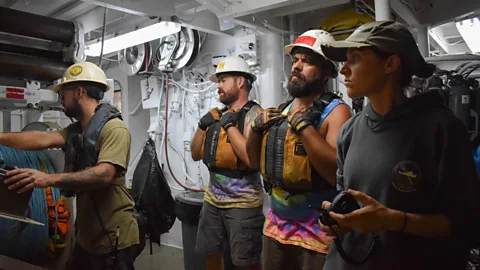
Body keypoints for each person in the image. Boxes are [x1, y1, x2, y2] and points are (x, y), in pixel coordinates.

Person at [319, 20, 480, 270]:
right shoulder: (350, 131)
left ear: (390, 64)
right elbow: (346, 196)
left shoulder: (442, 129)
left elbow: (466, 225)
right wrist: (338, 220)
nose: (343, 70)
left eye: (355, 58)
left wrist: (395, 220)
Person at [3, 61, 140, 270]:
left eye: (63, 94)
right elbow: (41, 138)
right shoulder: (77, 131)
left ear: (79, 92)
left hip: (114, 239)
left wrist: (46, 179)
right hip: (86, 237)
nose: (61, 100)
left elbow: (105, 174)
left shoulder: (115, 129)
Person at [246, 30, 352, 270]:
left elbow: (336, 172)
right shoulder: (278, 111)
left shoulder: (337, 112)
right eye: (295, 60)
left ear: (327, 71)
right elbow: (253, 163)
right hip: (275, 227)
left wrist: (304, 127)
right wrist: (254, 129)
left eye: (307, 61)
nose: (297, 66)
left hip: (318, 234)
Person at [190, 56, 264, 270]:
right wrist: (201, 127)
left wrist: (230, 125)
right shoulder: (216, 116)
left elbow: (251, 158)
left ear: (240, 82)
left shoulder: (255, 114)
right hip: (212, 201)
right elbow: (195, 154)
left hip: (243, 204)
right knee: (211, 254)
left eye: (223, 80)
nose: (218, 86)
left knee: (246, 263)